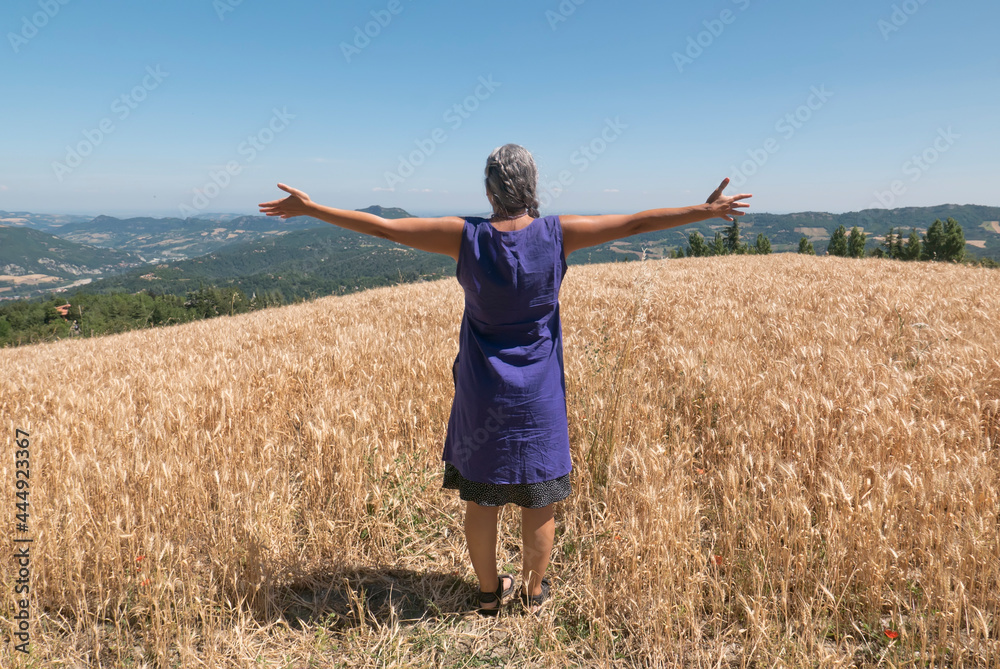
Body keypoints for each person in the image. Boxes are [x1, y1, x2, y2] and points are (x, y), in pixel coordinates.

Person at [258, 143, 751, 616]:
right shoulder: (558, 233)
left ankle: (489, 594)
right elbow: (639, 221)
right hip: (539, 393)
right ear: (532, 186)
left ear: (490, 191)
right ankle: (534, 593)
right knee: (540, 499)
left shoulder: (464, 236)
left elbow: (387, 229)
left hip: (481, 389)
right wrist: (703, 212)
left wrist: (314, 208)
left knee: (482, 497)